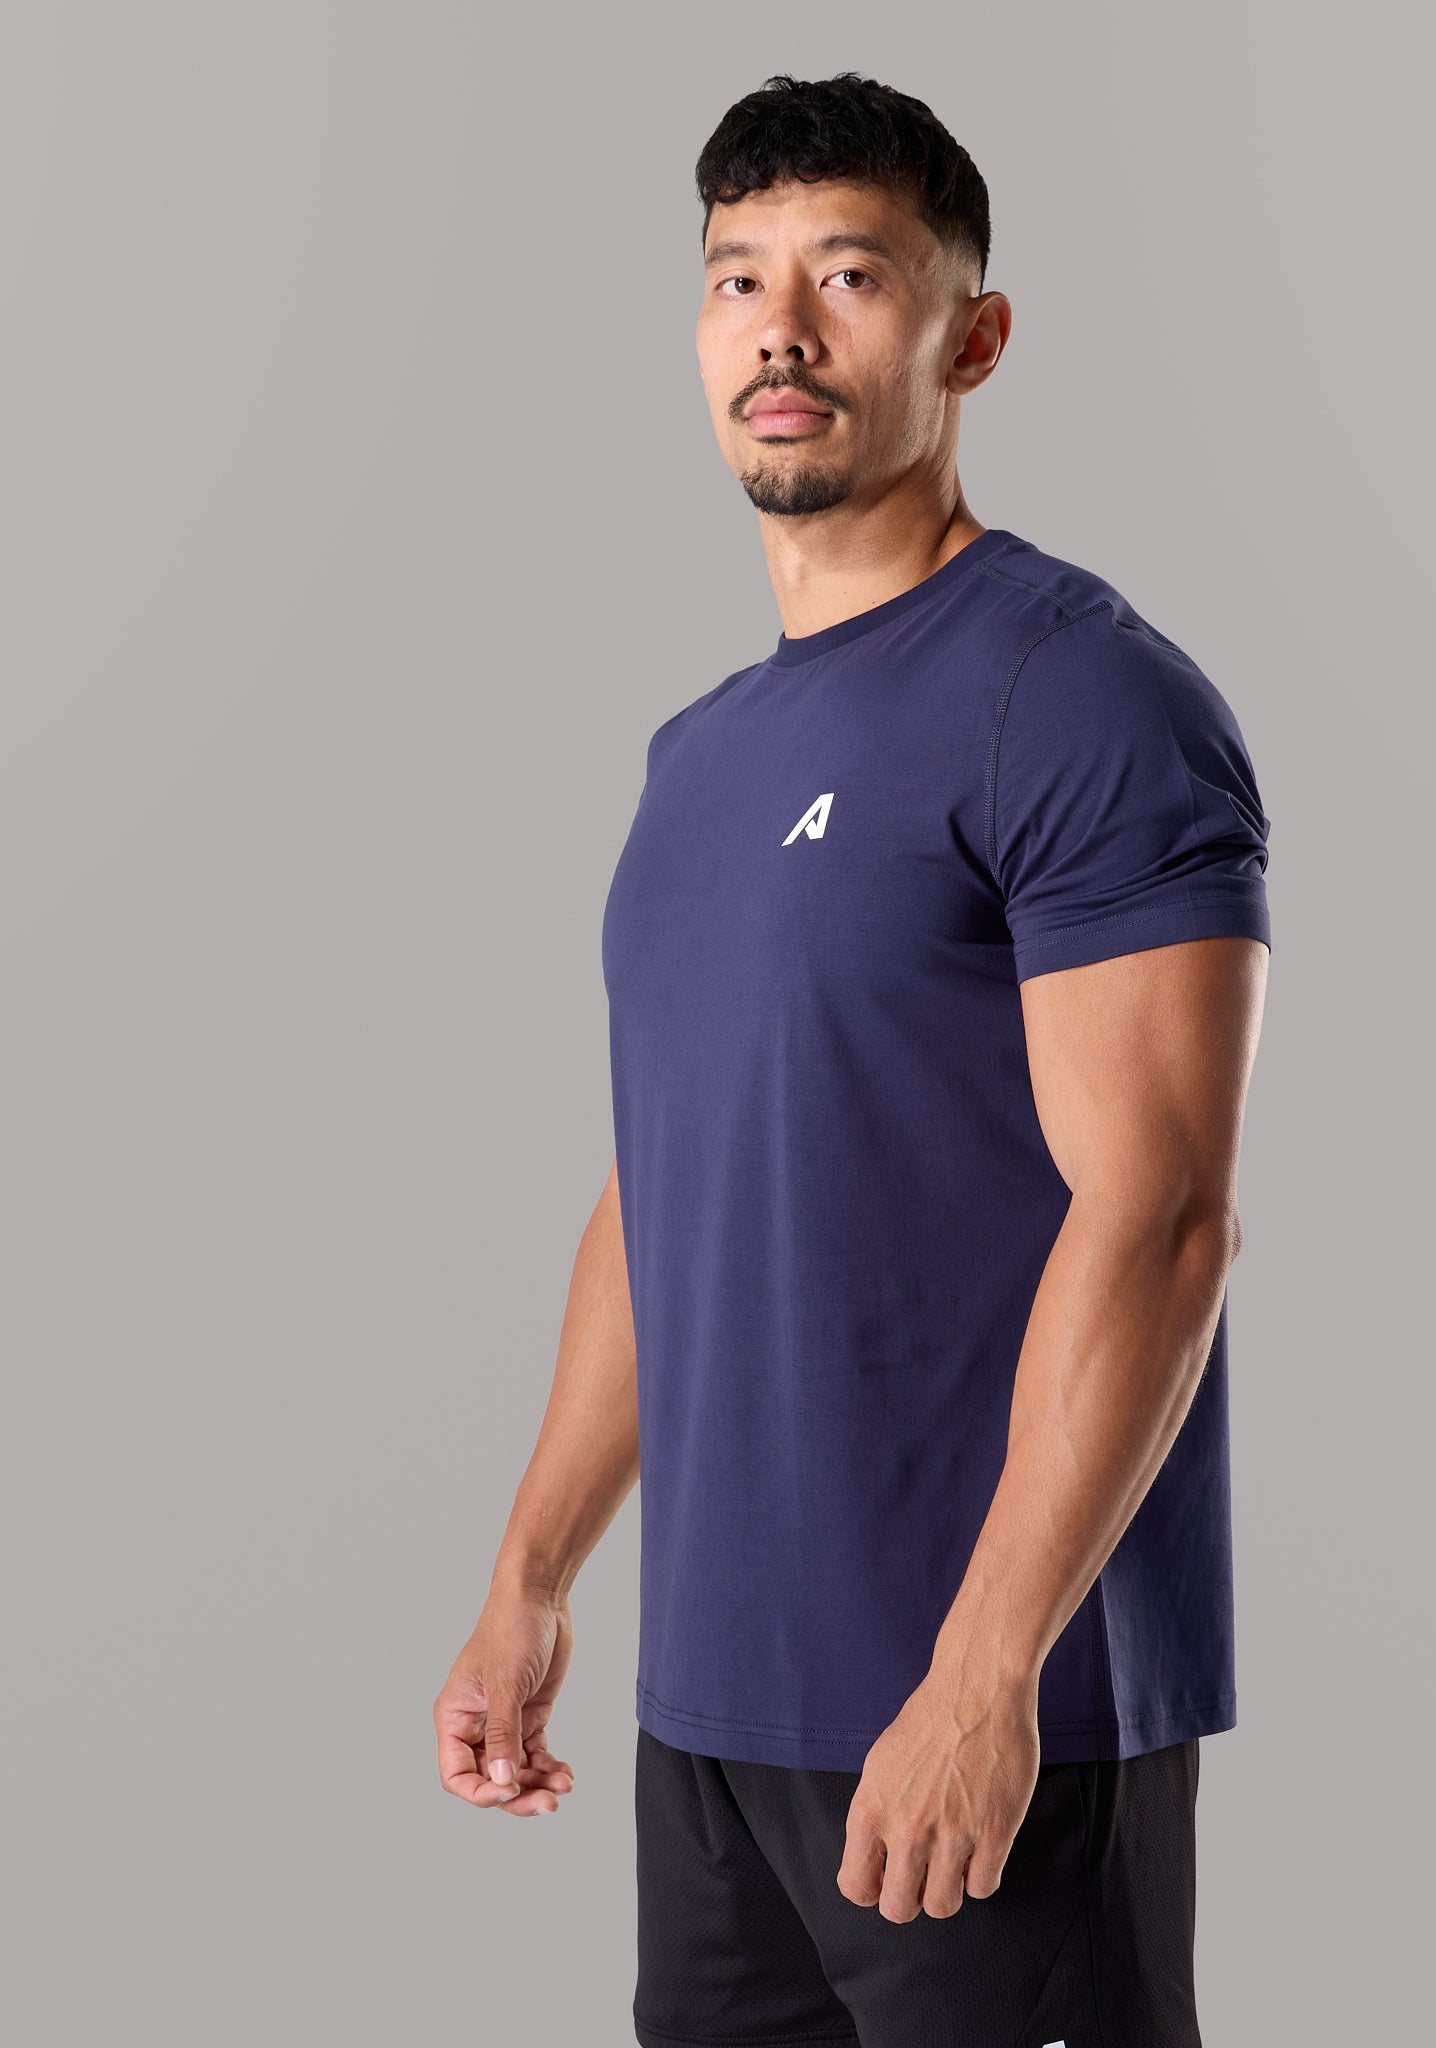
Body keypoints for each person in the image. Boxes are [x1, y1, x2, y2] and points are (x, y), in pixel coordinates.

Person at [434, 70, 1272, 2048]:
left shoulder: (1078, 697)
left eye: (851, 275)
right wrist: (531, 1574)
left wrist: (986, 1677)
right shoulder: (698, 757)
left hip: (990, 1722)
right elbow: (668, 1191)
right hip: (716, 1731)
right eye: (738, 279)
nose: (781, 330)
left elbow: (1161, 1217)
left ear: (971, 337)